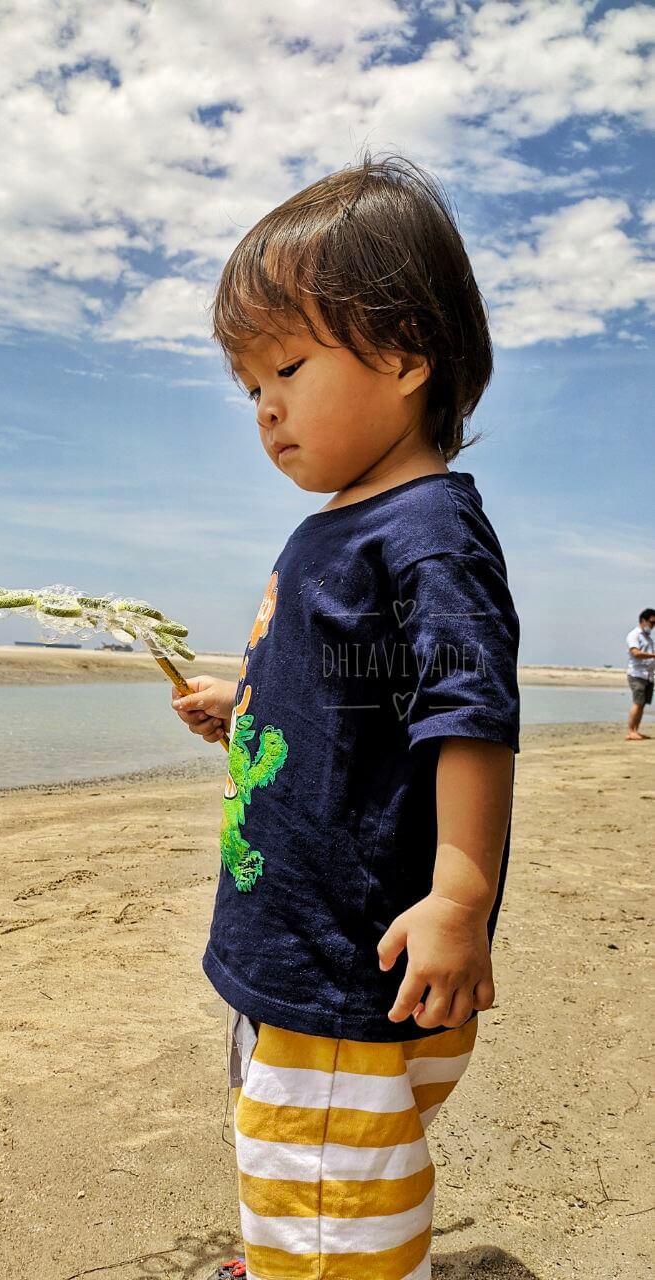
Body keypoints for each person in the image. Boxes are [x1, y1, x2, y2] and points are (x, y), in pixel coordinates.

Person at [172, 153, 520, 1280]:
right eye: (248, 388)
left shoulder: (423, 530)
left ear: (406, 356)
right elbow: (363, 685)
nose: (265, 409)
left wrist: (458, 894)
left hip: (348, 952)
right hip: (298, 937)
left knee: (331, 1185)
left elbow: (467, 713)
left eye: (286, 365)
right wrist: (247, 700)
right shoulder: (343, 522)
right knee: (303, 1160)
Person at [625, 608, 655, 740]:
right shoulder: (634, 635)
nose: (653, 626)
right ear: (643, 620)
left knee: (642, 704)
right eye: (651, 622)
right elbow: (635, 653)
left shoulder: (648, 638)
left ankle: (635, 730)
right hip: (637, 674)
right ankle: (630, 731)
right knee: (637, 702)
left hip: (648, 675)